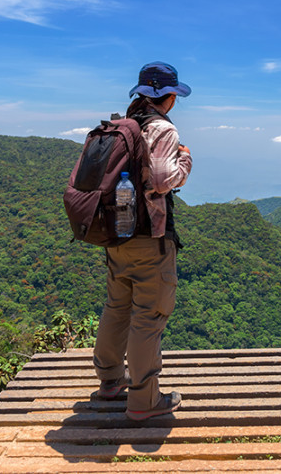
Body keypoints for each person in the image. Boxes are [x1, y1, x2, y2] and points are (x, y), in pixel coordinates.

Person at [91, 62, 192, 421]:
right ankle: (144, 401)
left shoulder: (124, 126)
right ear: (169, 98)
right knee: (149, 316)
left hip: (115, 233)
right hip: (150, 237)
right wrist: (185, 163)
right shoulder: (162, 129)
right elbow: (163, 181)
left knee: (117, 307)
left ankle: (109, 382)